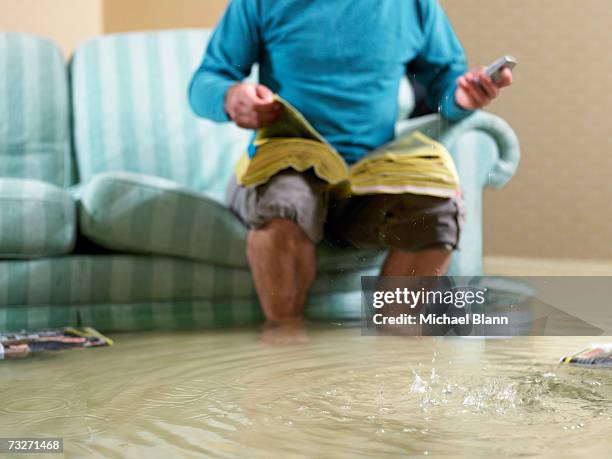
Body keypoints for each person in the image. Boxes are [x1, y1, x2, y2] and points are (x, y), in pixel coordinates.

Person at [189, 0, 513, 327]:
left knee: (439, 213)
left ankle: (398, 342)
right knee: (285, 204)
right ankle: (284, 340)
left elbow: (446, 88)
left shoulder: (415, 6)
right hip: (289, 160)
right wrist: (231, 97)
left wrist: (463, 99)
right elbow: (206, 80)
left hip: (371, 172)